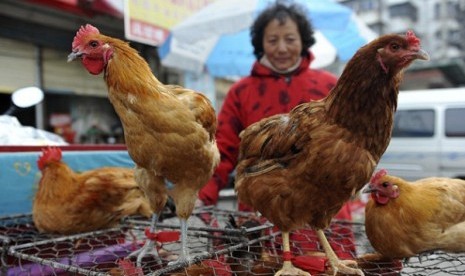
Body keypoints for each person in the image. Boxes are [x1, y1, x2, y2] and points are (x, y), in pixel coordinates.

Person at [199, 0, 350, 218]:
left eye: (290, 39)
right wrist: (203, 195)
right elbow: (221, 150)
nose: (281, 48)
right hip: (261, 209)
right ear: (261, 43)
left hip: (323, 209)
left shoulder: (331, 87)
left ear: (303, 40)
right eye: (272, 40)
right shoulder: (241, 91)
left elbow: (351, 143)